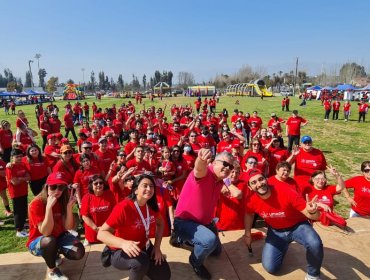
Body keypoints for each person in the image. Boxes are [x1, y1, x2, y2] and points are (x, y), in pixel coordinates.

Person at [243, 169, 323, 280]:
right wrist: (247, 233)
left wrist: (313, 211)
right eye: (253, 182)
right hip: (276, 231)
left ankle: (313, 275)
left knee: (315, 243)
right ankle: (284, 245)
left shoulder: (286, 191)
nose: (259, 184)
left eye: (261, 179)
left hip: (298, 226)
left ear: (266, 179)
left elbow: (315, 217)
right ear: (249, 187)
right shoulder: (251, 200)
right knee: (271, 268)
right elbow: (249, 214)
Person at [172, 150, 234, 279]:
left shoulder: (220, 181)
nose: (228, 168)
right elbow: (199, 169)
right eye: (225, 164)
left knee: (216, 252)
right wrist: (200, 159)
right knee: (208, 241)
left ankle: (182, 240)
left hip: (205, 222)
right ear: (214, 162)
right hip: (184, 222)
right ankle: (195, 261)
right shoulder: (205, 173)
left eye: (231, 167)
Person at [97, 174, 171, 280]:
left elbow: (161, 223)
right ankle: (140, 267)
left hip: (144, 247)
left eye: (151, 186)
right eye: (145, 185)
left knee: (163, 276)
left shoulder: (151, 205)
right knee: (140, 263)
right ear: (135, 190)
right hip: (119, 251)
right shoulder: (124, 207)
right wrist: (123, 243)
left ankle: (143, 267)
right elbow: (101, 233)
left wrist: (157, 247)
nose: (149, 189)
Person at [27, 172, 85, 280]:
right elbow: (46, 232)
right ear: (46, 186)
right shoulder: (36, 203)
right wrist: (48, 208)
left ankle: (54, 255)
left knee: (79, 252)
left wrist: (69, 208)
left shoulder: (62, 199)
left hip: (59, 236)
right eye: (53, 187)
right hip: (40, 241)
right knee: (49, 240)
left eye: (61, 187)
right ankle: (52, 270)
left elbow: (68, 227)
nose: (57, 191)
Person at [80, 174, 116, 246]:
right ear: (91, 185)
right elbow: (84, 216)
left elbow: (114, 212)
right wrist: (96, 229)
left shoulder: (109, 194)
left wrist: (107, 228)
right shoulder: (87, 197)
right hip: (93, 235)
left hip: (108, 232)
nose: (99, 185)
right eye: (96, 183)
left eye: (101, 183)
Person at [6, 149, 31, 237]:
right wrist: (23, 178)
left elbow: (29, 177)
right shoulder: (10, 167)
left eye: (20, 156)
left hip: (24, 191)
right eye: (17, 157)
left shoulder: (23, 164)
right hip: (15, 193)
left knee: (23, 209)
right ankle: (19, 230)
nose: (19, 158)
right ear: (12, 158)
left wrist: (21, 178)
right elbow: (14, 182)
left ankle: (23, 224)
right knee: (18, 211)